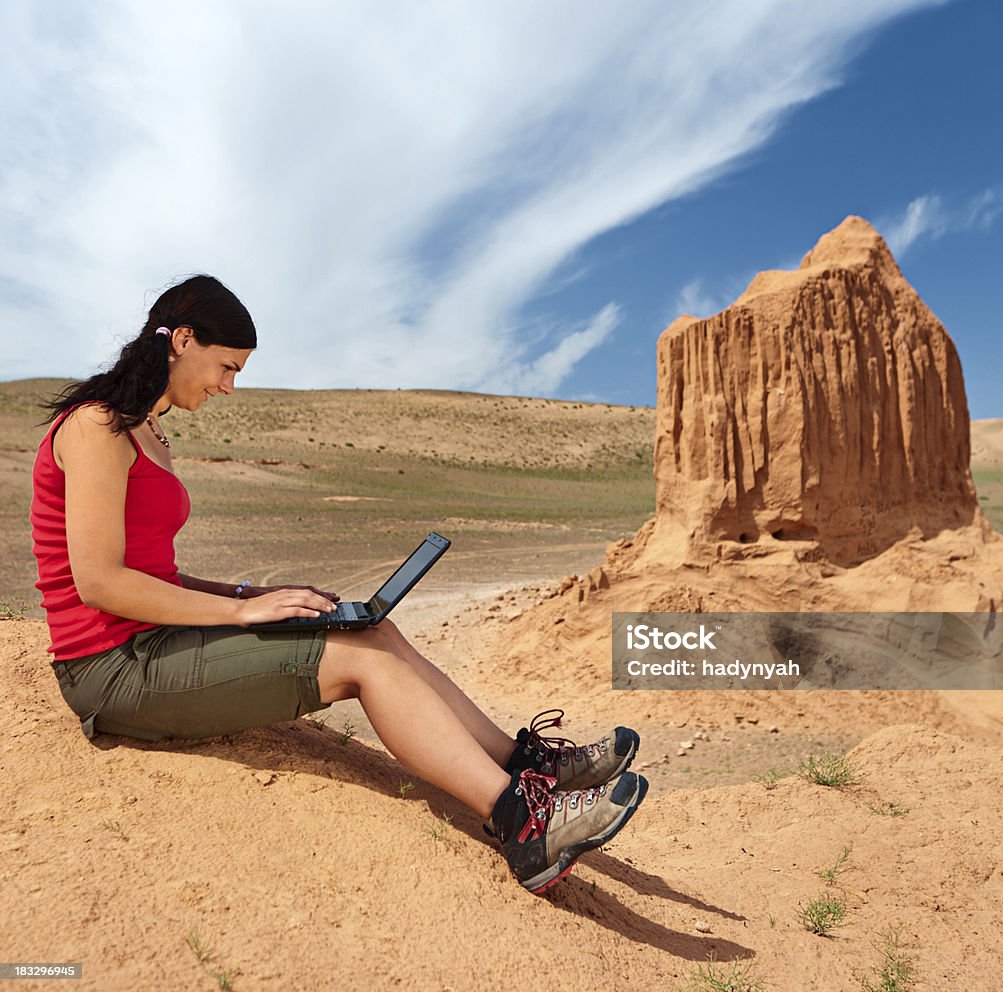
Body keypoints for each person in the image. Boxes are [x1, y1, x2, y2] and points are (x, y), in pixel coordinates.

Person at [29, 274, 647, 894]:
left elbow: (153, 574)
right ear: (182, 341)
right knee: (360, 660)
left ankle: (530, 766)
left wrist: (249, 596)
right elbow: (102, 583)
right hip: (110, 668)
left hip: (156, 640)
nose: (228, 386)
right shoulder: (97, 428)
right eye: (226, 367)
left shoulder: (148, 432)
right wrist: (244, 617)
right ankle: (523, 826)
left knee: (373, 628)